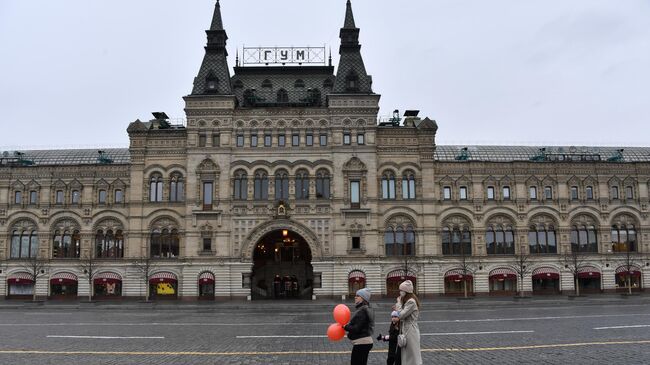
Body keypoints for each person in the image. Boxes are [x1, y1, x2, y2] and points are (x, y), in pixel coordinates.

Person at [343, 288, 375, 365]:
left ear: (363, 299)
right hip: (364, 342)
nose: (355, 297)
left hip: (362, 343)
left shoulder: (362, 311)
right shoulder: (365, 309)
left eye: (358, 296)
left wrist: (345, 327)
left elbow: (356, 328)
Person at [395, 280, 422, 365]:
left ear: (406, 291)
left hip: (410, 331)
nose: (400, 292)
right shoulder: (408, 301)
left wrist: (398, 303)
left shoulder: (411, 301)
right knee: (406, 354)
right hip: (406, 329)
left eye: (401, 290)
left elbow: (401, 315)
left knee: (411, 355)